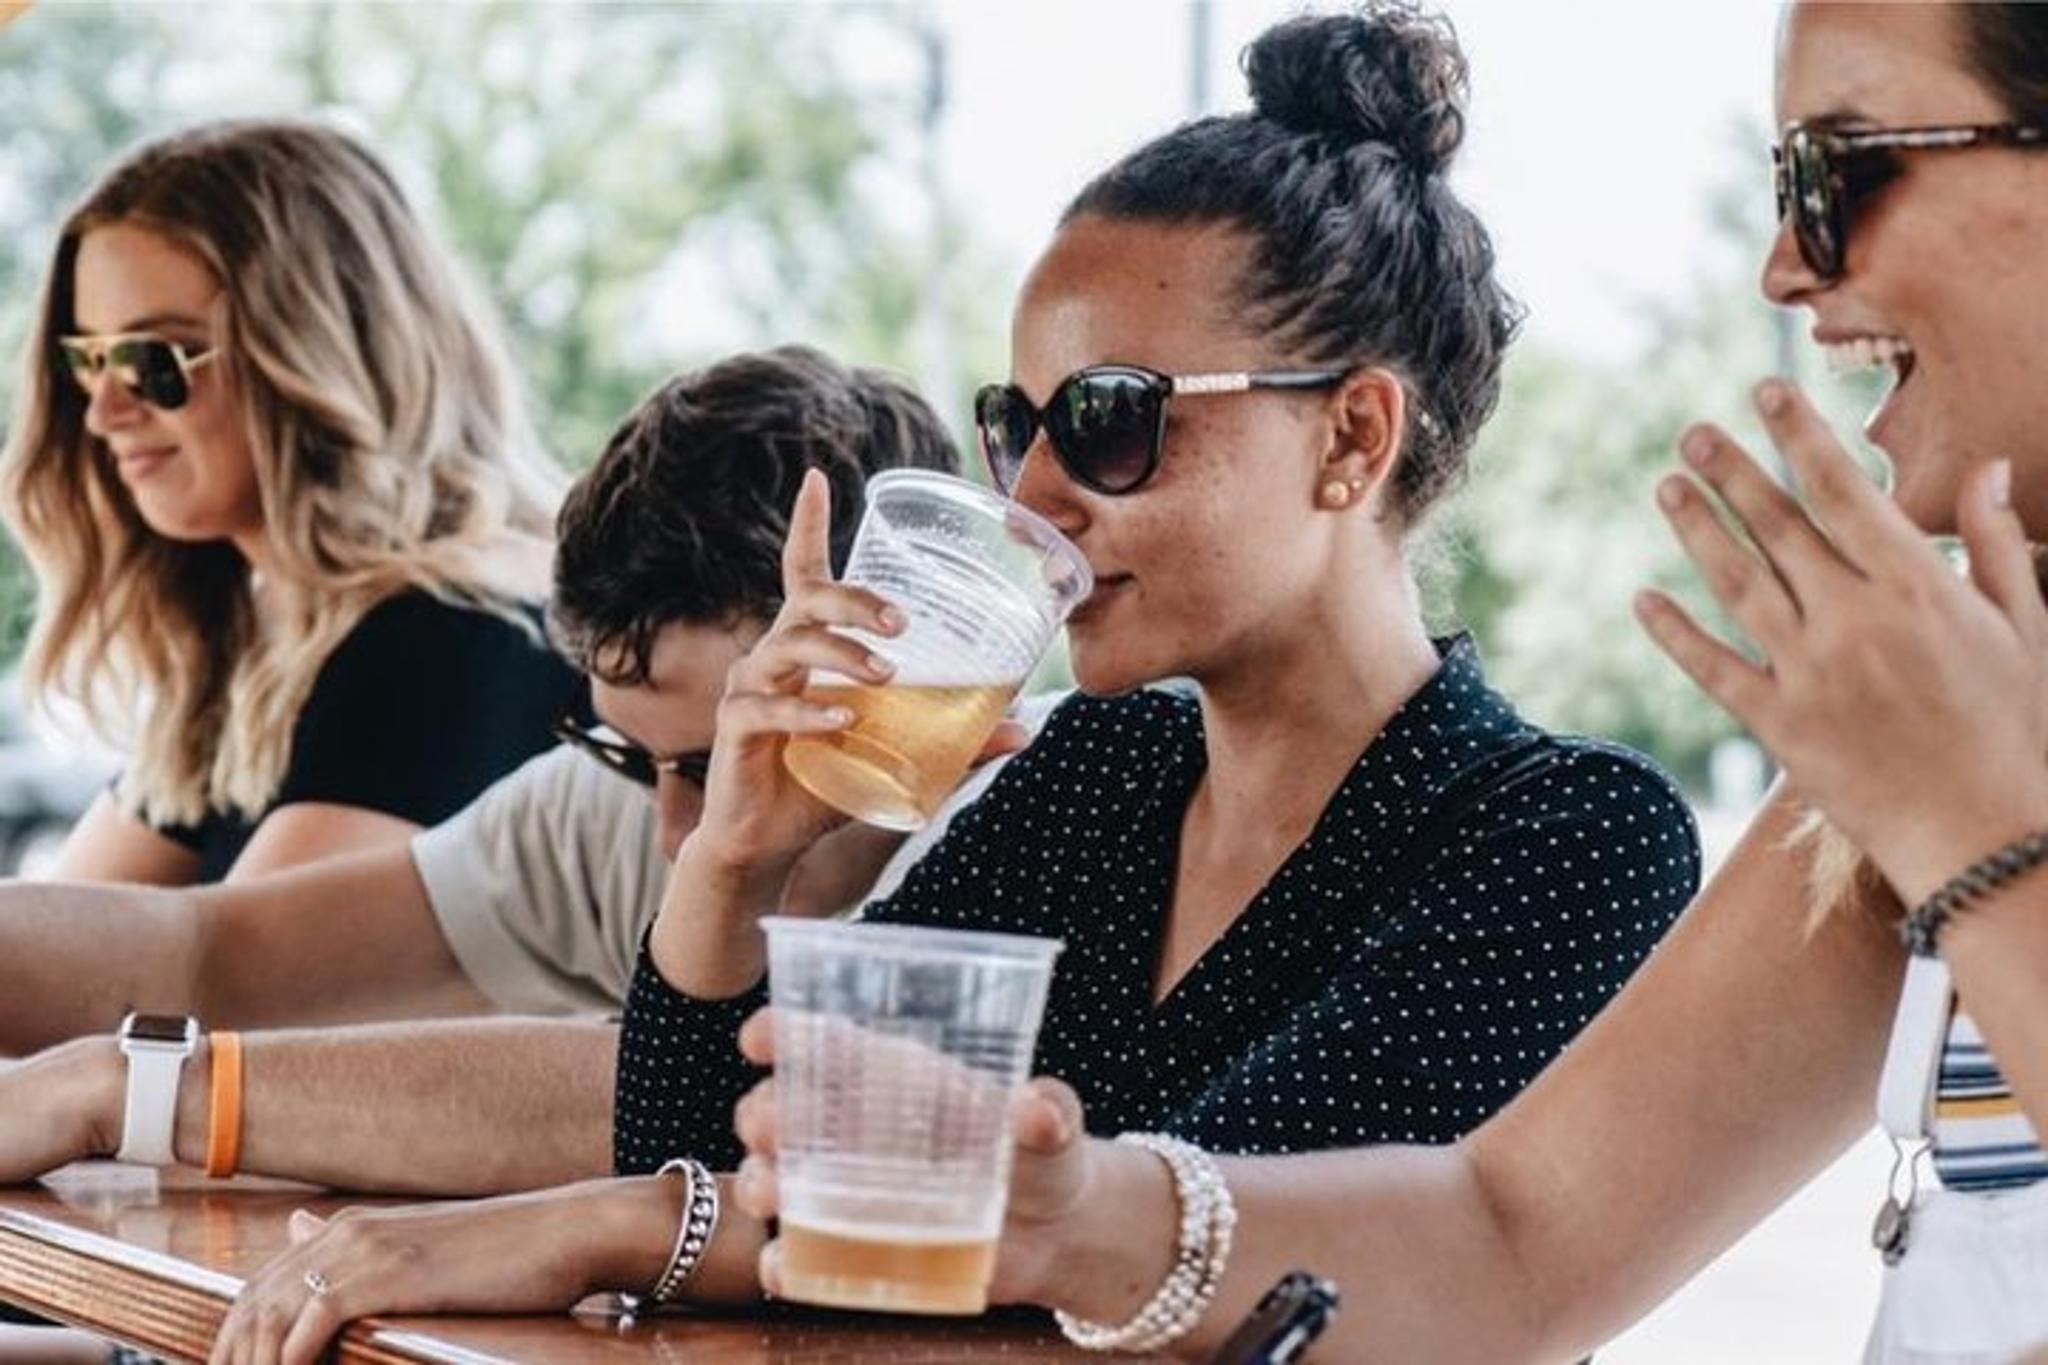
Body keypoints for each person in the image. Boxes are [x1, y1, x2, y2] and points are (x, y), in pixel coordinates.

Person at [206, 8, 1701, 1358]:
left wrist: (601, 1231)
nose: (1034, 492)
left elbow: (1196, 1239)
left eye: (1108, 421)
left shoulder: (1570, 840)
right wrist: (737, 861)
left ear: (1352, 439)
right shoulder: (1101, 771)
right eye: (1017, 425)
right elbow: (719, 1153)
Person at [726, 3, 2048, 1361]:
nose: (1786, 265)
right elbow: (1513, 1236)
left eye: (1847, 167)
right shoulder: (1957, 712)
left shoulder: (1603, 819)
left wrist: (1978, 838)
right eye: (1020, 427)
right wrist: (1074, 1215)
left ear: (1355, 436)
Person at [0, 346, 992, 1198]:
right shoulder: (604, 807)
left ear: (892, 660)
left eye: (719, 762)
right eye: (630, 756)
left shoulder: (1013, 824)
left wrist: (126, 1092)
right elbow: (217, 960)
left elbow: (685, 1104)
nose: (669, 831)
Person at [1, 118, 574, 885]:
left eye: (153, 359)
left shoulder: (456, 627)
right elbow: (65, 927)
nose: (104, 412)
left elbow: (222, 956)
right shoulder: (273, 639)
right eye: (89, 361)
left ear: (318, 350)